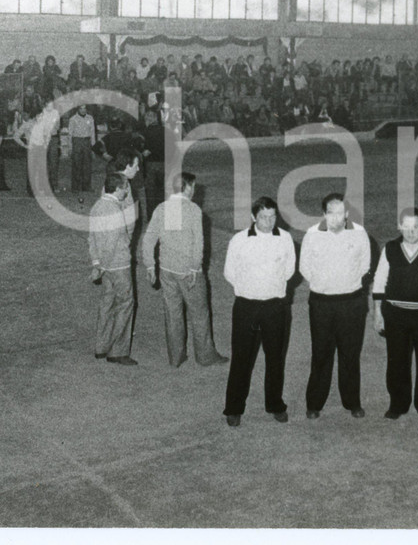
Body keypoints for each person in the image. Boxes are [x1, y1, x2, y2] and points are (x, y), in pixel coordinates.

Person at [222, 197, 296, 427]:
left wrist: (270, 288)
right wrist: (250, 289)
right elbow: (229, 272)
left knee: (275, 358)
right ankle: (234, 408)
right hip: (247, 306)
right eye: (263, 217)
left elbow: (289, 270)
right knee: (241, 358)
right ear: (254, 217)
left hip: (275, 307)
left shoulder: (285, 239)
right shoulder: (239, 240)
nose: (268, 221)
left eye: (273, 216)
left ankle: (275, 404)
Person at [140, 172, 227, 368]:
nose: (194, 191)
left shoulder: (161, 209)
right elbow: (199, 244)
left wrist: (150, 265)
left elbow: (148, 239)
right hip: (187, 270)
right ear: (187, 188)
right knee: (199, 313)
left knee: (173, 313)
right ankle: (205, 356)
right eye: (193, 187)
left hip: (166, 269)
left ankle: (176, 356)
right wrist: (195, 269)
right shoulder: (193, 210)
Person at [371, 207, 418, 423]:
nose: (411, 231)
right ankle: (398, 403)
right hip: (395, 314)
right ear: (399, 227)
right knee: (397, 362)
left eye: (415, 227)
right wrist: (378, 313)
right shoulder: (391, 248)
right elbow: (379, 281)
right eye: (406, 226)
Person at [299, 192, 371, 419]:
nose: (335, 218)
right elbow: (305, 267)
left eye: (340, 213)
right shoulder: (312, 234)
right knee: (321, 353)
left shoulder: (359, 233)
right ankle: (314, 403)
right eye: (331, 213)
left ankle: (352, 402)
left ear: (347, 214)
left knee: (350, 354)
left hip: (351, 302)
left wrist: (345, 284)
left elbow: (365, 265)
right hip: (322, 303)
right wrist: (324, 284)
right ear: (324, 213)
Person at [87, 172, 138, 366]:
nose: (127, 190)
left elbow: (92, 238)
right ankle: (118, 351)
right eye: (125, 187)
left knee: (107, 303)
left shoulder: (97, 206)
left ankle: (101, 346)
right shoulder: (115, 211)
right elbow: (112, 241)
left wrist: (97, 263)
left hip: (105, 264)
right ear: (117, 188)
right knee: (125, 303)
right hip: (118, 265)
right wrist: (103, 266)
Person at [68, 104, 96, 192]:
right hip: (77, 141)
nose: (83, 110)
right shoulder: (73, 119)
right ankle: (75, 187)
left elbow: (92, 133)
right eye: (81, 108)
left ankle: (86, 186)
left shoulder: (90, 118)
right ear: (78, 109)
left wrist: (93, 146)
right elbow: (70, 134)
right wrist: (70, 147)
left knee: (87, 165)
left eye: (85, 108)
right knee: (77, 164)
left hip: (87, 141)